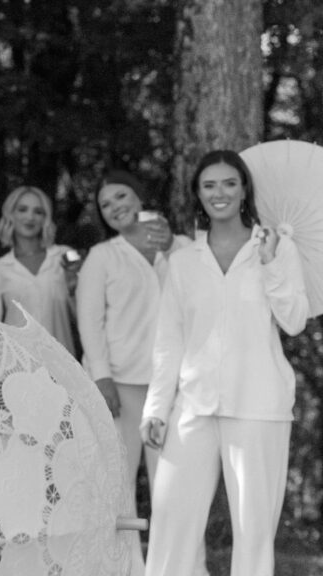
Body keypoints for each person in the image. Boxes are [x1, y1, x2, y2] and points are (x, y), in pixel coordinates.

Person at [140, 150, 308, 576]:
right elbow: (169, 341)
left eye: (229, 183)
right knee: (171, 523)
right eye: (209, 185)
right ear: (198, 193)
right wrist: (157, 408)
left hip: (258, 407)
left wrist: (271, 264)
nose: (220, 193)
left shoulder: (275, 247)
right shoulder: (183, 262)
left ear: (244, 189)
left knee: (253, 535)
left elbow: (293, 321)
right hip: (192, 409)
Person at [75, 170, 191, 575]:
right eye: (106, 204)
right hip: (120, 385)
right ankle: (119, 568)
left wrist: (174, 247)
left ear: (140, 196)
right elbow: (89, 322)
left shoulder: (181, 247)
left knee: (173, 485)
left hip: (174, 386)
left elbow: (201, 294)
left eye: (121, 195)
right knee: (117, 486)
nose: (115, 207)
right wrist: (101, 377)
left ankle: (176, 568)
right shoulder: (103, 256)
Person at [0, 186, 77, 355]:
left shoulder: (64, 256)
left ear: (46, 217)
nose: (30, 217)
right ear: (11, 214)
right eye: (22, 209)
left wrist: (73, 286)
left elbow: (87, 316)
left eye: (38, 211)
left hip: (64, 368)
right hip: (18, 370)